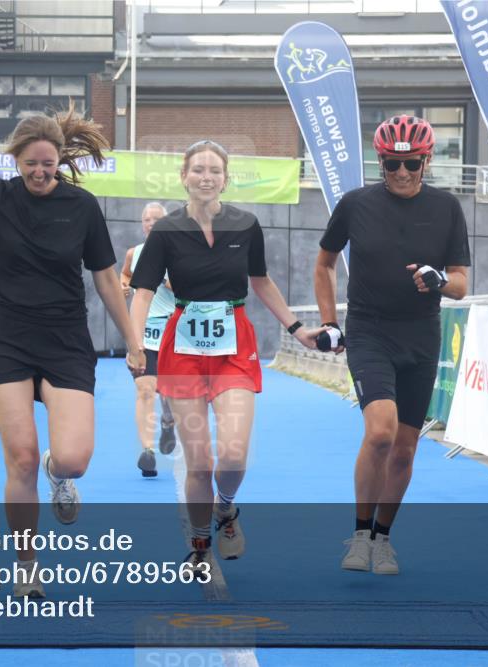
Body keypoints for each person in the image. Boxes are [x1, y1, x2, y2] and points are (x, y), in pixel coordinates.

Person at [0, 57, 144, 598]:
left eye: (49, 164)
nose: (41, 172)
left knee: (73, 460)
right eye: (31, 163)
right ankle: (26, 562)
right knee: (21, 457)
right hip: (9, 336)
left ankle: (61, 479)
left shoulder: (82, 206)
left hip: (65, 339)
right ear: (15, 160)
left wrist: (133, 342)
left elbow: (107, 281)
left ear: (61, 160)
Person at [130, 140, 323, 572]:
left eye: (214, 170)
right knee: (199, 461)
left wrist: (297, 329)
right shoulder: (166, 231)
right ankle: (200, 547)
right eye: (197, 169)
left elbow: (262, 281)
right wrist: (136, 343)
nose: (205, 177)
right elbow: (142, 292)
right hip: (182, 349)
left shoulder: (246, 225)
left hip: (234, 345)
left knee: (233, 455)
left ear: (225, 178)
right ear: (184, 176)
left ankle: (227, 509)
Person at [314, 115, 470, 575]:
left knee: (404, 449)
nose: (401, 173)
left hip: (421, 335)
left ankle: (383, 538)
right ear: (379, 161)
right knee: (379, 431)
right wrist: (330, 322)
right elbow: (323, 265)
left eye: (411, 164)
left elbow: (461, 284)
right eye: (391, 164)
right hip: (370, 330)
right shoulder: (355, 203)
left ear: (427, 161)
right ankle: (360, 535)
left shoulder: (447, 208)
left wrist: (439, 280)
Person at [120, 202, 177, 477]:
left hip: (174, 333)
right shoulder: (135, 253)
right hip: (145, 332)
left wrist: (166, 278)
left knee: (168, 394)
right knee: (145, 389)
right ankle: (148, 451)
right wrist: (123, 286)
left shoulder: (179, 253)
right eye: (146, 219)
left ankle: (168, 422)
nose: (151, 223)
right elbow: (126, 274)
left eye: (156, 219)